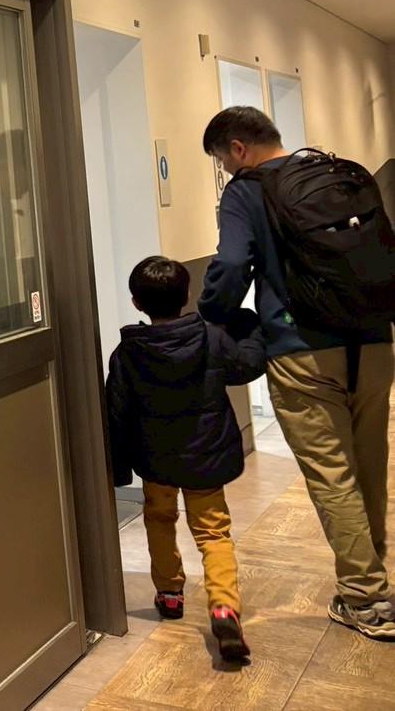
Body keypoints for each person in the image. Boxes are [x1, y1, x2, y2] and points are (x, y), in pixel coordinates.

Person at [199, 107, 395, 641]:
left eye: (222, 160)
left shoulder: (246, 191)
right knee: (368, 461)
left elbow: (234, 264)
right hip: (375, 343)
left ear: (237, 148)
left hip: (302, 349)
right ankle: (373, 581)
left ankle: (368, 599)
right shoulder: (338, 174)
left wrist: (211, 312)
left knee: (332, 473)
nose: (226, 169)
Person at [107, 256, 264, 662]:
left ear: (136, 303)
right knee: (213, 532)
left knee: (160, 520)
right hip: (206, 459)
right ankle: (224, 607)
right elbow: (246, 364)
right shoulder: (211, 337)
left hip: (156, 460)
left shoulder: (128, 353)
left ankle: (170, 593)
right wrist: (250, 327)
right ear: (188, 295)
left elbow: (117, 413)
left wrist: (119, 467)